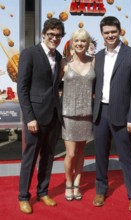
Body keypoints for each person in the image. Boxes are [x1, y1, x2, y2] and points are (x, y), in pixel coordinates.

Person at [92, 16, 131, 213]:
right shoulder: (98, 56)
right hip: (100, 112)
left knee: (127, 157)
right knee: (100, 155)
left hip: (123, 115)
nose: (110, 35)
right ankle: (100, 189)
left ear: (120, 31)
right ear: (102, 34)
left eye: (113, 32)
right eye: (106, 32)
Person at [17, 18, 65, 214]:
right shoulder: (30, 54)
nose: (54, 38)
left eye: (58, 35)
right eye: (51, 35)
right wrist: (29, 117)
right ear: (43, 35)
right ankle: (23, 197)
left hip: (53, 114)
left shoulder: (59, 56)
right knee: (30, 157)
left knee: (48, 156)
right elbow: (22, 88)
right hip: (35, 117)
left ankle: (43, 191)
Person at [60, 28, 95, 201]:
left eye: (83, 41)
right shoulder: (64, 63)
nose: (80, 44)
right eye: (77, 41)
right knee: (71, 154)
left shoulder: (94, 62)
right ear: (72, 43)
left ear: (88, 44)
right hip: (68, 115)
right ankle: (68, 182)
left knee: (81, 153)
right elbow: (52, 85)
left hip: (87, 115)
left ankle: (77, 183)